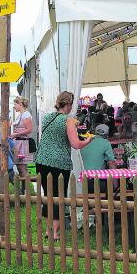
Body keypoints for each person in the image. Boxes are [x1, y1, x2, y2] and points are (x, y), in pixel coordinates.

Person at [35, 91, 94, 240]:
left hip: (41, 161)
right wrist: (88, 141)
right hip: (59, 163)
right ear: (68, 104)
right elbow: (76, 144)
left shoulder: (48, 117)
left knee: (48, 195)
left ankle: (49, 230)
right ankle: (54, 232)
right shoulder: (67, 121)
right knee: (58, 196)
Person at [80, 124, 115, 192]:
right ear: (107, 134)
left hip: (81, 179)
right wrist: (115, 184)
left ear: (95, 132)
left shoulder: (86, 141)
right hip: (97, 180)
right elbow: (111, 163)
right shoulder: (105, 143)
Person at [10, 96, 35, 186]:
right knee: (20, 167)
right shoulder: (21, 115)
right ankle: (26, 190)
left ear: (20, 104)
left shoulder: (26, 115)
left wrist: (16, 134)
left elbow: (29, 129)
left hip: (23, 143)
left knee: (22, 167)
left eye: (15, 104)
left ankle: (27, 190)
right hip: (19, 142)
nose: (14, 106)